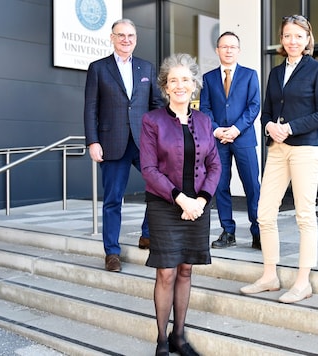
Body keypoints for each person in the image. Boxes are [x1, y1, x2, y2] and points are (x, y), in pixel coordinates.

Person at [239, 15, 318, 304]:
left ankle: (302, 282)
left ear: (307, 39)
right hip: (277, 150)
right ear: (282, 40)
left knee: (304, 215)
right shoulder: (275, 73)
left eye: (298, 36)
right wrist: (269, 126)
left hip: (305, 148)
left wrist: (289, 127)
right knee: (264, 213)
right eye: (287, 36)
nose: (292, 41)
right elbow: (266, 111)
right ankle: (270, 276)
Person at [140, 53, 221, 356]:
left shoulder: (204, 121)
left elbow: (215, 166)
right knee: (166, 272)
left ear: (194, 85)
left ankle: (180, 337)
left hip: (197, 207)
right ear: (165, 86)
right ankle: (162, 340)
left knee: (186, 269)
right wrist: (180, 198)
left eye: (185, 79)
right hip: (165, 204)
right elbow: (148, 169)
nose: (179, 85)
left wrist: (201, 200)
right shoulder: (152, 121)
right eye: (173, 80)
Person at [83, 18, 164, 272]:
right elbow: (91, 108)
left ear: (136, 39)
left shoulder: (146, 68)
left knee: (160, 190)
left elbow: (156, 106)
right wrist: (92, 141)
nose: (126, 39)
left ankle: (147, 234)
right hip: (111, 143)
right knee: (112, 199)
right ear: (112, 37)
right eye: (121, 35)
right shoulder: (98, 68)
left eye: (130, 35)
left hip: (144, 143)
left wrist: (162, 137)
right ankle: (112, 252)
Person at [199, 31, 262, 250]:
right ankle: (228, 232)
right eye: (224, 46)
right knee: (220, 186)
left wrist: (235, 129)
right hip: (217, 142)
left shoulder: (250, 75)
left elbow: (254, 106)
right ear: (217, 50)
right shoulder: (208, 78)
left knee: (253, 186)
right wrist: (216, 131)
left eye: (232, 47)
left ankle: (258, 232)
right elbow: (205, 108)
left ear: (238, 50)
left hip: (243, 138)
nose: (228, 50)